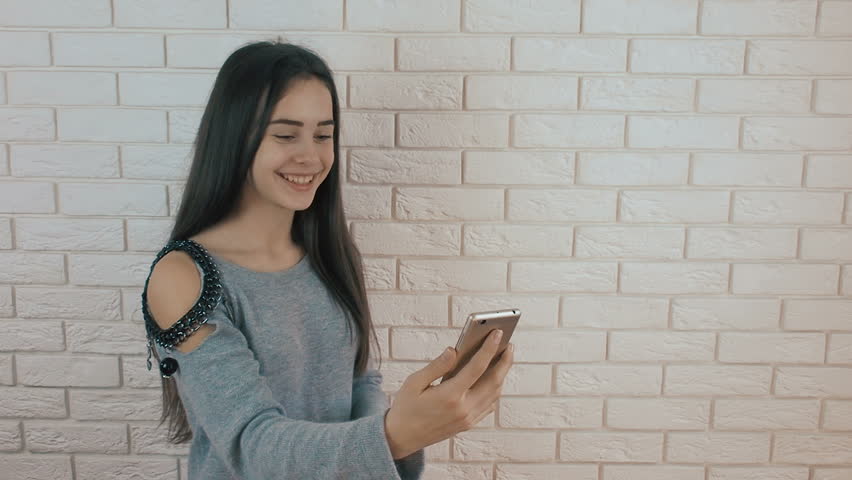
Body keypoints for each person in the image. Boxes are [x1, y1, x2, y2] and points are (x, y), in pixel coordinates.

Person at [140, 41, 515, 479]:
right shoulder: (184, 278)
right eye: (284, 134)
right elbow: (251, 444)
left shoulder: (328, 253)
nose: (311, 156)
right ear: (234, 135)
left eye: (323, 135)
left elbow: (357, 382)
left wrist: (407, 422)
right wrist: (395, 434)